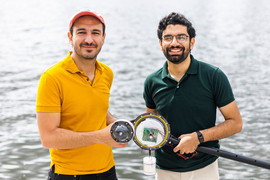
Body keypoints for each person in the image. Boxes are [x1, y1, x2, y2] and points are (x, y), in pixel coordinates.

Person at [143, 12, 242, 180]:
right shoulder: (151, 82)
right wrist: (146, 136)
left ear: (192, 42)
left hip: (204, 168)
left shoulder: (213, 76)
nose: (174, 43)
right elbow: (151, 122)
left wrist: (198, 137)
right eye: (168, 38)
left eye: (181, 37)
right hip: (164, 169)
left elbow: (235, 123)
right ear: (160, 44)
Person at [36, 9, 127, 180]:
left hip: (108, 171)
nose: (89, 39)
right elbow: (48, 138)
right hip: (69, 175)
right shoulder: (51, 78)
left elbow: (98, 110)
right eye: (81, 32)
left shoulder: (107, 73)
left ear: (103, 38)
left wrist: (120, 124)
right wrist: (100, 137)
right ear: (70, 38)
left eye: (95, 33)